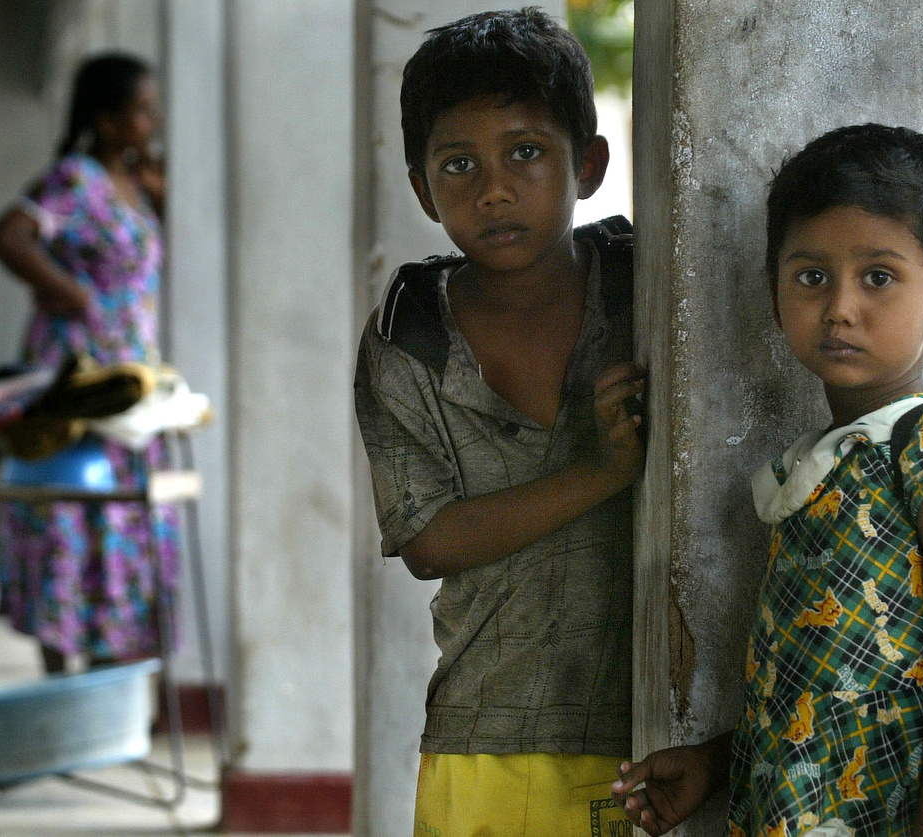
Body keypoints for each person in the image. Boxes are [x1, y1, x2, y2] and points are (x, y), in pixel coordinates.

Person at [613, 124, 923, 836]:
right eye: (812, 276)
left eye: (878, 276)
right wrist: (717, 762)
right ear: (775, 291)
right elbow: (815, 683)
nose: (840, 306)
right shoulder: (818, 463)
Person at [353, 9, 645, 834]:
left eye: (526, 152)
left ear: (586, 164)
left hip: (657, 731)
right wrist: (600, 471)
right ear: (422, 188)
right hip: (487, 733)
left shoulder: (644, 289)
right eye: (458, 164)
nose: (494, 189)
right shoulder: (407, 340)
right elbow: (428, 539)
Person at [0, 52, 176, 674]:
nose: (153, 120)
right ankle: (60, 669)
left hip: (129, 374)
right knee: (66, 509)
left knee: (121, 517)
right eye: (141, 109)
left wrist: (161, 196)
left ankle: (108, 670)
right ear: (105, 116)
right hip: (76, 369)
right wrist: (69, 292)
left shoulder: (138, 181)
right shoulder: (75, 179)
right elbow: (7, 235)